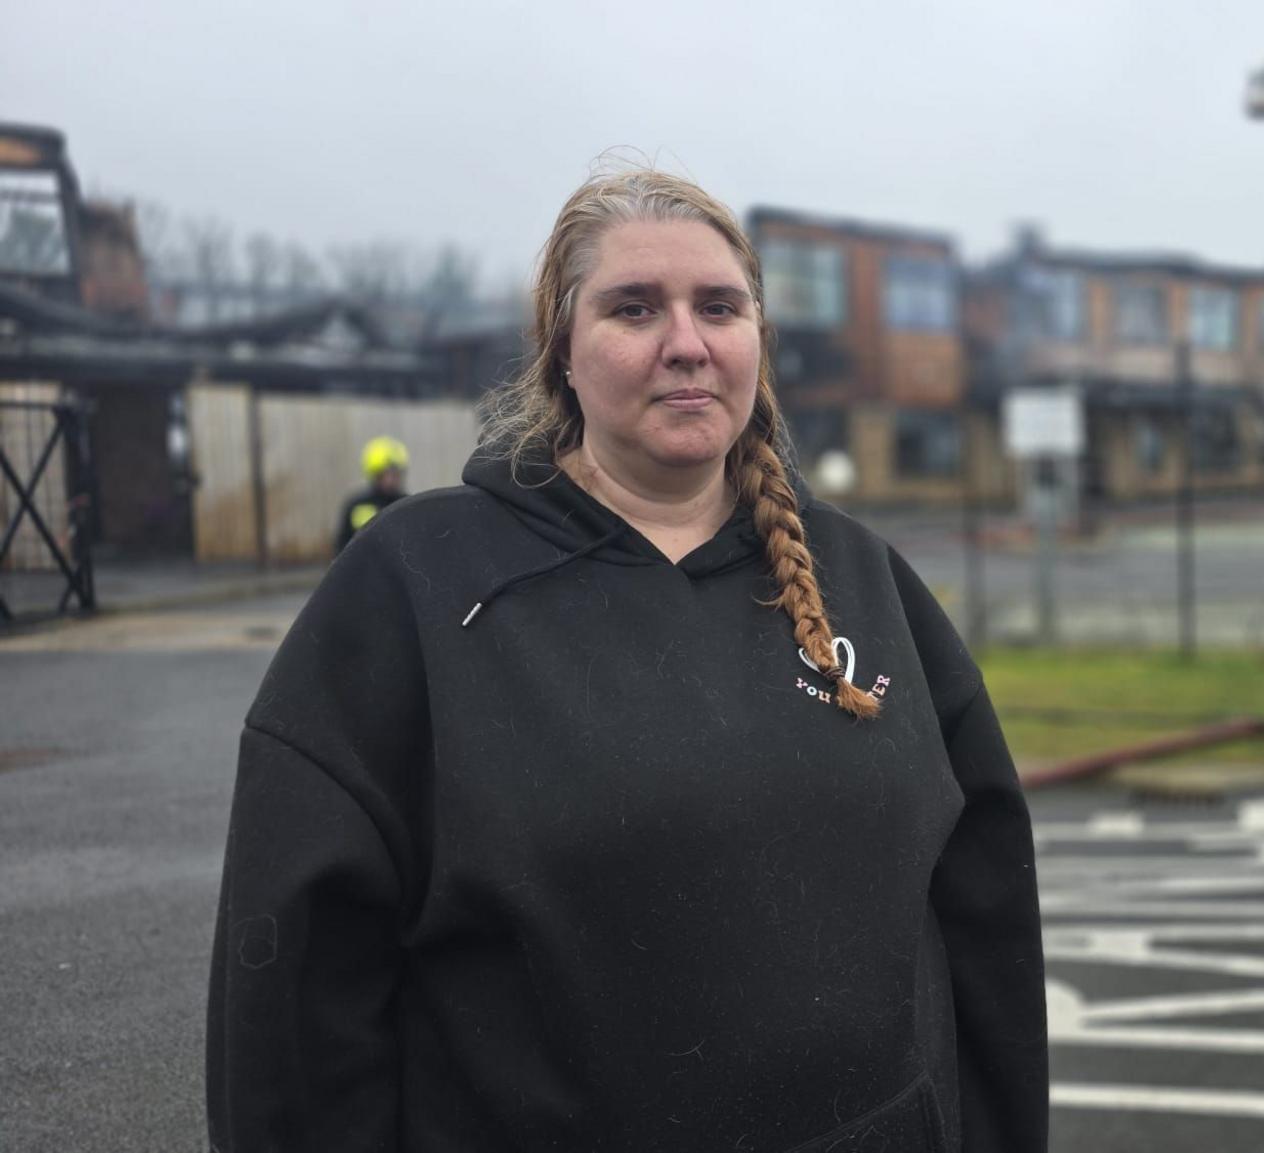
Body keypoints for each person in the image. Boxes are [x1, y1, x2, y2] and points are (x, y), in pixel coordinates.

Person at [208, 168, 1048, 1152]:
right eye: (634, 307)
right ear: (562, 349)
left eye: (719, 307)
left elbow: (983, 913)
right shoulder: (416, 585)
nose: (685, 343)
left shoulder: (864, 580)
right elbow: (300, 1002)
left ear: (756, 344)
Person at [334, 435, 410, 554]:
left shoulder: (408, 504)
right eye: (384, 474)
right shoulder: (356, 505)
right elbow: (341, 549)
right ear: (374, 474)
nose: (390, 480)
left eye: (395, 474)